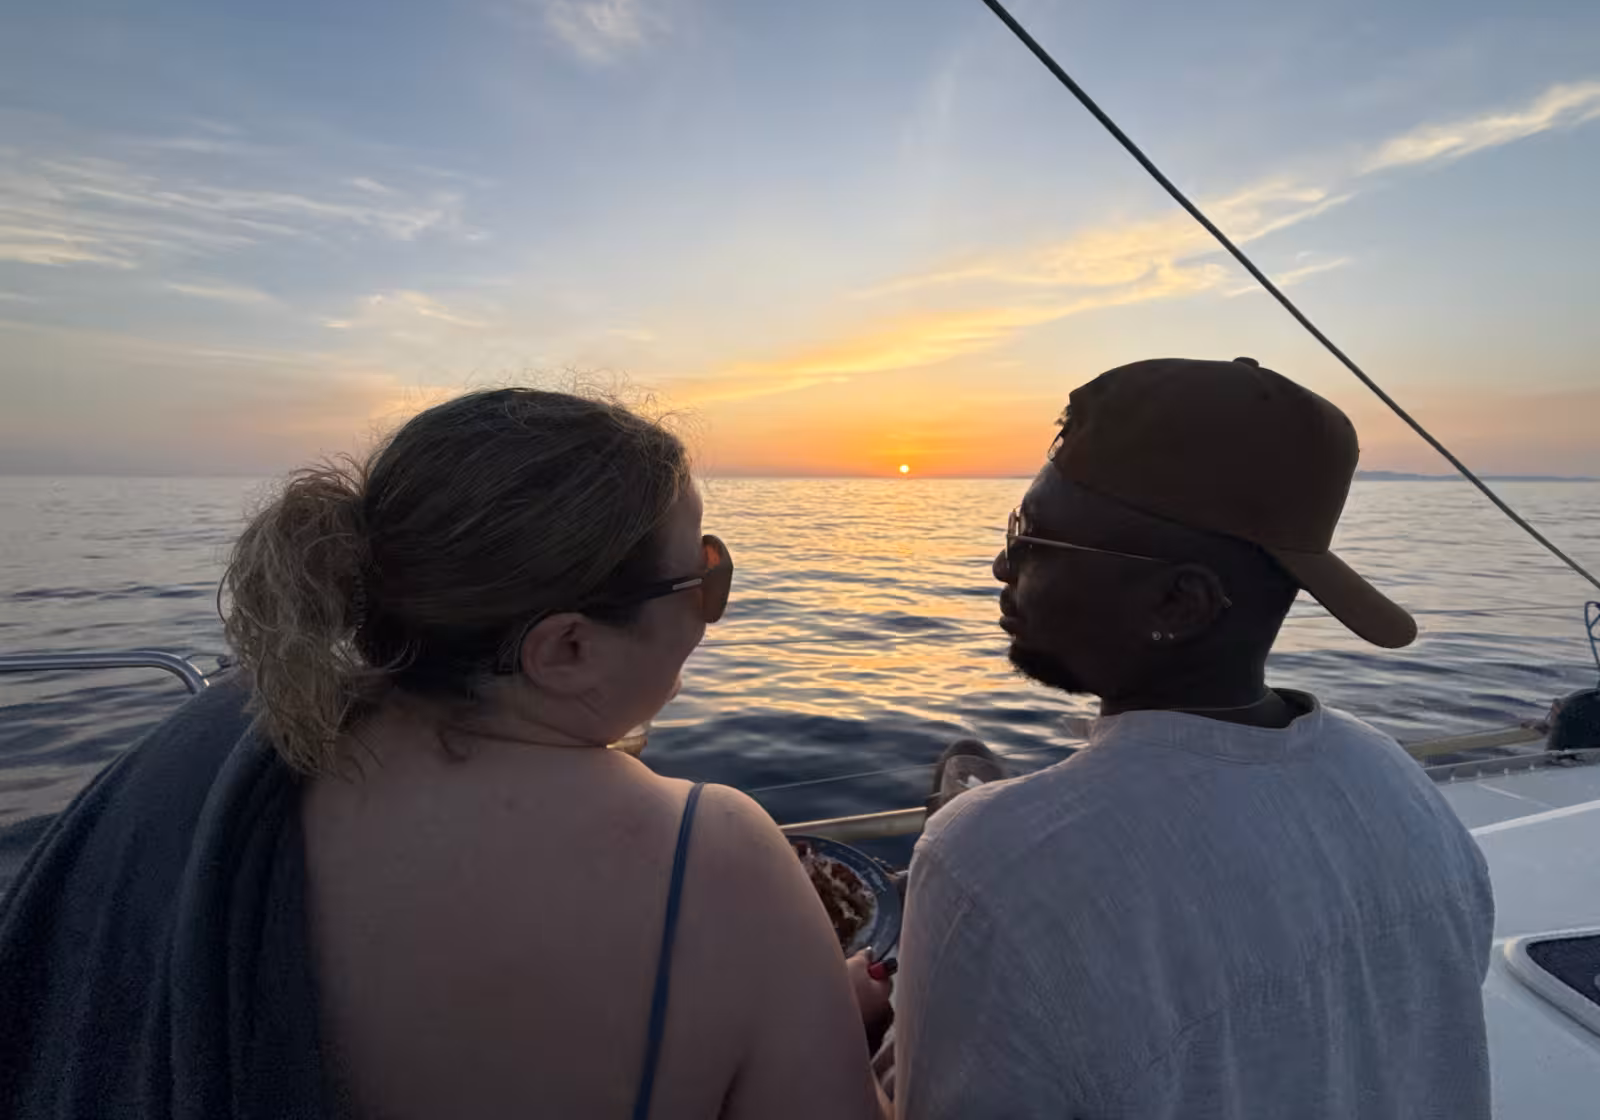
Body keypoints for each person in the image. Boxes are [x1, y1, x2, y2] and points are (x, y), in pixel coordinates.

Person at [0, 388, 890, 1120]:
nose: (710, 604)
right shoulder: (720, 856)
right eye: (701, 577)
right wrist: (822, 1008)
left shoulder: (218, 753)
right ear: (565, 649)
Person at [893, 358, 1495, 1119]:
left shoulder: (991, 860)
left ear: (1180, 601)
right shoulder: (1395, 780)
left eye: (1035, 541)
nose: (999, 565)